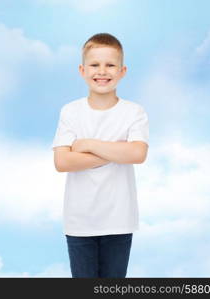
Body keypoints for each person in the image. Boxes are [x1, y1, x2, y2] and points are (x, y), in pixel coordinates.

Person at [51, 33, 149, 278]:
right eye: (95, 65)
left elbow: (137, 153)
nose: (102, 71)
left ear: (123, 70)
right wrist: (117, 152)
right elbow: (63, 161)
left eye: (110, 65)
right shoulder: (71, 111)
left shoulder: (134, 112)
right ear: (82, 70)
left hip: (120, 219)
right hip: (79, 221)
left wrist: (87, 144)